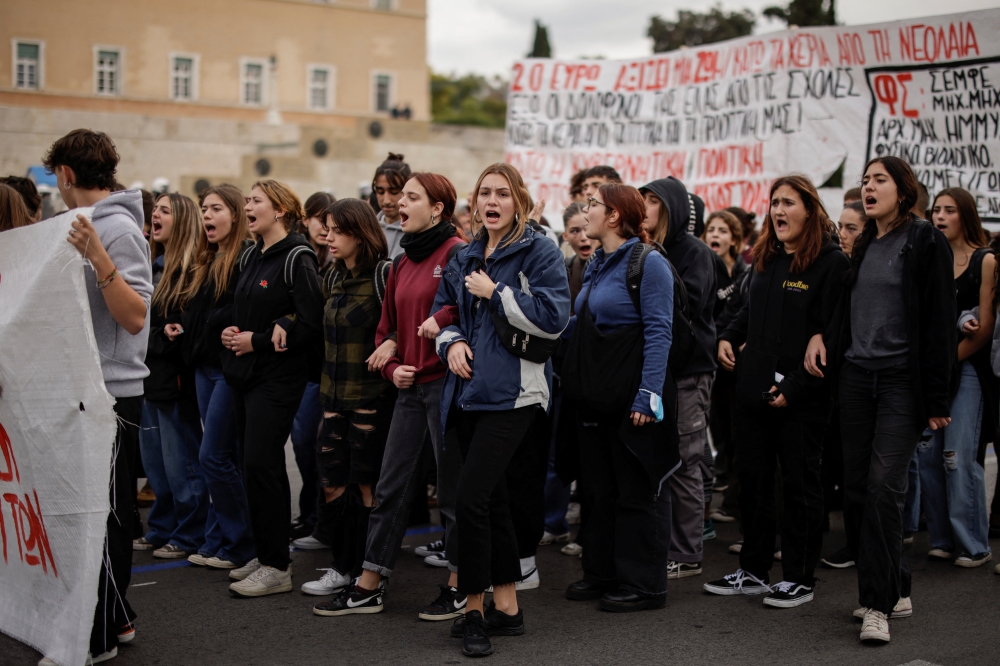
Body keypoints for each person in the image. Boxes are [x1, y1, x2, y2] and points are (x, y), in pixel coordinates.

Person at [807, 156, 955, 643]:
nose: (868, 188)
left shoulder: (924, 241)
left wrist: (937, 397)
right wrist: (821, 336)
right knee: (856, 491)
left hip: (900, 384)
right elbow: (846, 308)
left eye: (879, 180)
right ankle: (898, 586)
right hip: (856, 379)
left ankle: (876, 605)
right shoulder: (865, 242)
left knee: (883, 488)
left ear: (903, 190)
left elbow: (937, 321)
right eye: (865, 181)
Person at [315, 172, 467, 618]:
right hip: (409, 388)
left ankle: (460, 583)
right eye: (400, 196)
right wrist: (392, 359)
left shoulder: (456, 252)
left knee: (452, 491)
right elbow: (389, 330)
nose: (400, 202)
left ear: (438, 208)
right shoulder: (400, 261)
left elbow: (465, 310)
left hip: (446, 386)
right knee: (388, 487)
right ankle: (370, 583)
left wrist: (438, 322)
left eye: (412, 197)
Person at [434, 163, 570, 657]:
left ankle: (473, 610)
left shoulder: (541, 251)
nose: (492, 201)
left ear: (521, 202)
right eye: (485, 193)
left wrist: (498, 294)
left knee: (470, 500)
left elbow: (555, 320)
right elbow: (445, 311)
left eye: (503, 193)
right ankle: (508, 608)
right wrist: (449, 343)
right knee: (491, 501)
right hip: (467, 394)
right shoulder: (467, 253)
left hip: (516, 396)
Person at [704, 176, 849, 609]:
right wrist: (728, 335)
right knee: (754, 484)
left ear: (810, 209)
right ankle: (753, 570)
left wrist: (797, 387)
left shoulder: (832, 263)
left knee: (800, 489)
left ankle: (800, 578)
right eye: (773, 203)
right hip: (753, 394)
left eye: (788, 203)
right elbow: (748, 309)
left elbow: (834, 336)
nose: (778, 211)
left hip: (801, 400)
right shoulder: (766, 258)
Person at [43, 128, 153, 661]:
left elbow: (134, 318)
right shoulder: (77, 224)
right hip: (84, 388)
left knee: (108, 516)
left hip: (112, 392)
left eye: (55, 178)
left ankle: (103, 632)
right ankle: (119, 616)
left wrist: (98, 257)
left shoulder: (120, 230)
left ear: (65, 175)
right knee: (92, 512)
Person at [561, 183, 676, 612]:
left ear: (613, 217)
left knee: (635, 488)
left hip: (632, 393)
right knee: (599, 488)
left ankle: (644, 584)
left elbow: (660, 331)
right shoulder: (597, 262)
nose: (585, 210)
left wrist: (648, 395)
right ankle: (603, 573)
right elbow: (582, 321)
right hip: (598, 394)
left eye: (592, 205)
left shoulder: (649, 264)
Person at [220, 180, 325, 597]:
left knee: (262, 464)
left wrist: (258, 340)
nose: (247, 207)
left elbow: (312, 321)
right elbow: (241, 307)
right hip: (247, 375)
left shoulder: (297, 257)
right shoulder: (251, 253)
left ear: (280, 210)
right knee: (254, 466)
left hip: (279, 378)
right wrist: (232, 329)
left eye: (255, 201)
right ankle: (267, 554)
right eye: (246, 200)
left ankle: (277, 567)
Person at [299, 199, 398, 609]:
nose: (328, 236)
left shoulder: (383, 274)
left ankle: (367, 571)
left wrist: (391, 345)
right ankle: (342, 565)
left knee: (366, 484)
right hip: (333, 396)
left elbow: (399, 328)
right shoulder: (332, 274)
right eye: (327, 229)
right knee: (332, 479)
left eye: (337, 230)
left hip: (371, 395)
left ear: (359, 233)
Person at [639, 177, 717, 580]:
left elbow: (689, 303)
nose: (645, 207)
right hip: (661, 370)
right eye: (642, 200)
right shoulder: (646, 249)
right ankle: (667, 543)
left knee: (686, 459)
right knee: (664, 458)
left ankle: (687, 552)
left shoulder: (694, 251)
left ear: (668, 208)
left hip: (689, 370)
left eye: (653, 201)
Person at [914, 187, 995, 568]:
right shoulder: (928, 258)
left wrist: (943, 364)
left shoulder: (985, 260)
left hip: (966, 373)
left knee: (957, 456)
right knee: (928, 455)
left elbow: (983, 331)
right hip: (931, 373)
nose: (940, 217)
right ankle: (943, 539)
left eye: (949, 210)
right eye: (936, 211)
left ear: (966, 215)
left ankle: (973, 544)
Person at [183, 184, 255, 571]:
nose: (207, 216)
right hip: (204, 368)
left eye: (216, 208)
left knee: (214, 456)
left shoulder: (244, 258)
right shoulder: (208, 258)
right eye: (203, 209)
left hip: (229, 369)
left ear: (236, 214)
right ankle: (218, 540)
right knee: (218, 457)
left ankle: (243, 543)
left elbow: (237, 312)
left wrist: (215, 323)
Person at [135, 193, 210, 561]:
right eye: (155, 210)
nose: (155, 215)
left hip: (173, 378)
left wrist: (162, 335)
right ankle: (162, 528)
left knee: (181, 461)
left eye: (164, 210)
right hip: (149, 376)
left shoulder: (189, 270)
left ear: (181, 220)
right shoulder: (154, 265)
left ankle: (190, 531)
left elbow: (179, 329)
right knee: (157, 464)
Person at [290, 191, 337, 545]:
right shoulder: (302, 257)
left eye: (330, 220)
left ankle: (318, 518)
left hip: (327, 367)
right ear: (305, 219)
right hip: (304, 366)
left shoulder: (335, 261)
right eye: (319, 218)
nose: (324, 227)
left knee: (317, 441)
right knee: (305, 443)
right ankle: (309, 513)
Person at [701, 210, 747, 499]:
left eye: (723, 230)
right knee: (716, 422)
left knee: (736, 425)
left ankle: (733, 480)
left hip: (739, 362)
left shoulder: (746, 273)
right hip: (712, 357)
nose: (716, 235)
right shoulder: (703, 267)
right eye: (712, 229)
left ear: (734, 239)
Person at [373, 153, 411, 258]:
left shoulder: (417, 233)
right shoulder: (368, 231)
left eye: (393, 191)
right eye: (380, 192)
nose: (386, 200)